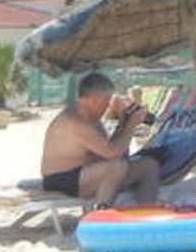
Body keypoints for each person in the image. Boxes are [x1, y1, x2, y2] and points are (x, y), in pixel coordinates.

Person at [38, 73, 160, 207]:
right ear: (96, 100)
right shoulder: (75, 121)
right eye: (107, 102)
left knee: (149, 165)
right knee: (116, 167)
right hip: (61, 179)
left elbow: (113, 149)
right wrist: (130, 126)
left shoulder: (91, 117)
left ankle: (146, 210)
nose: (108, 107)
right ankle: (102, 210)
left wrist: (123, 122)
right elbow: (113, 154)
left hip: (86, 173)